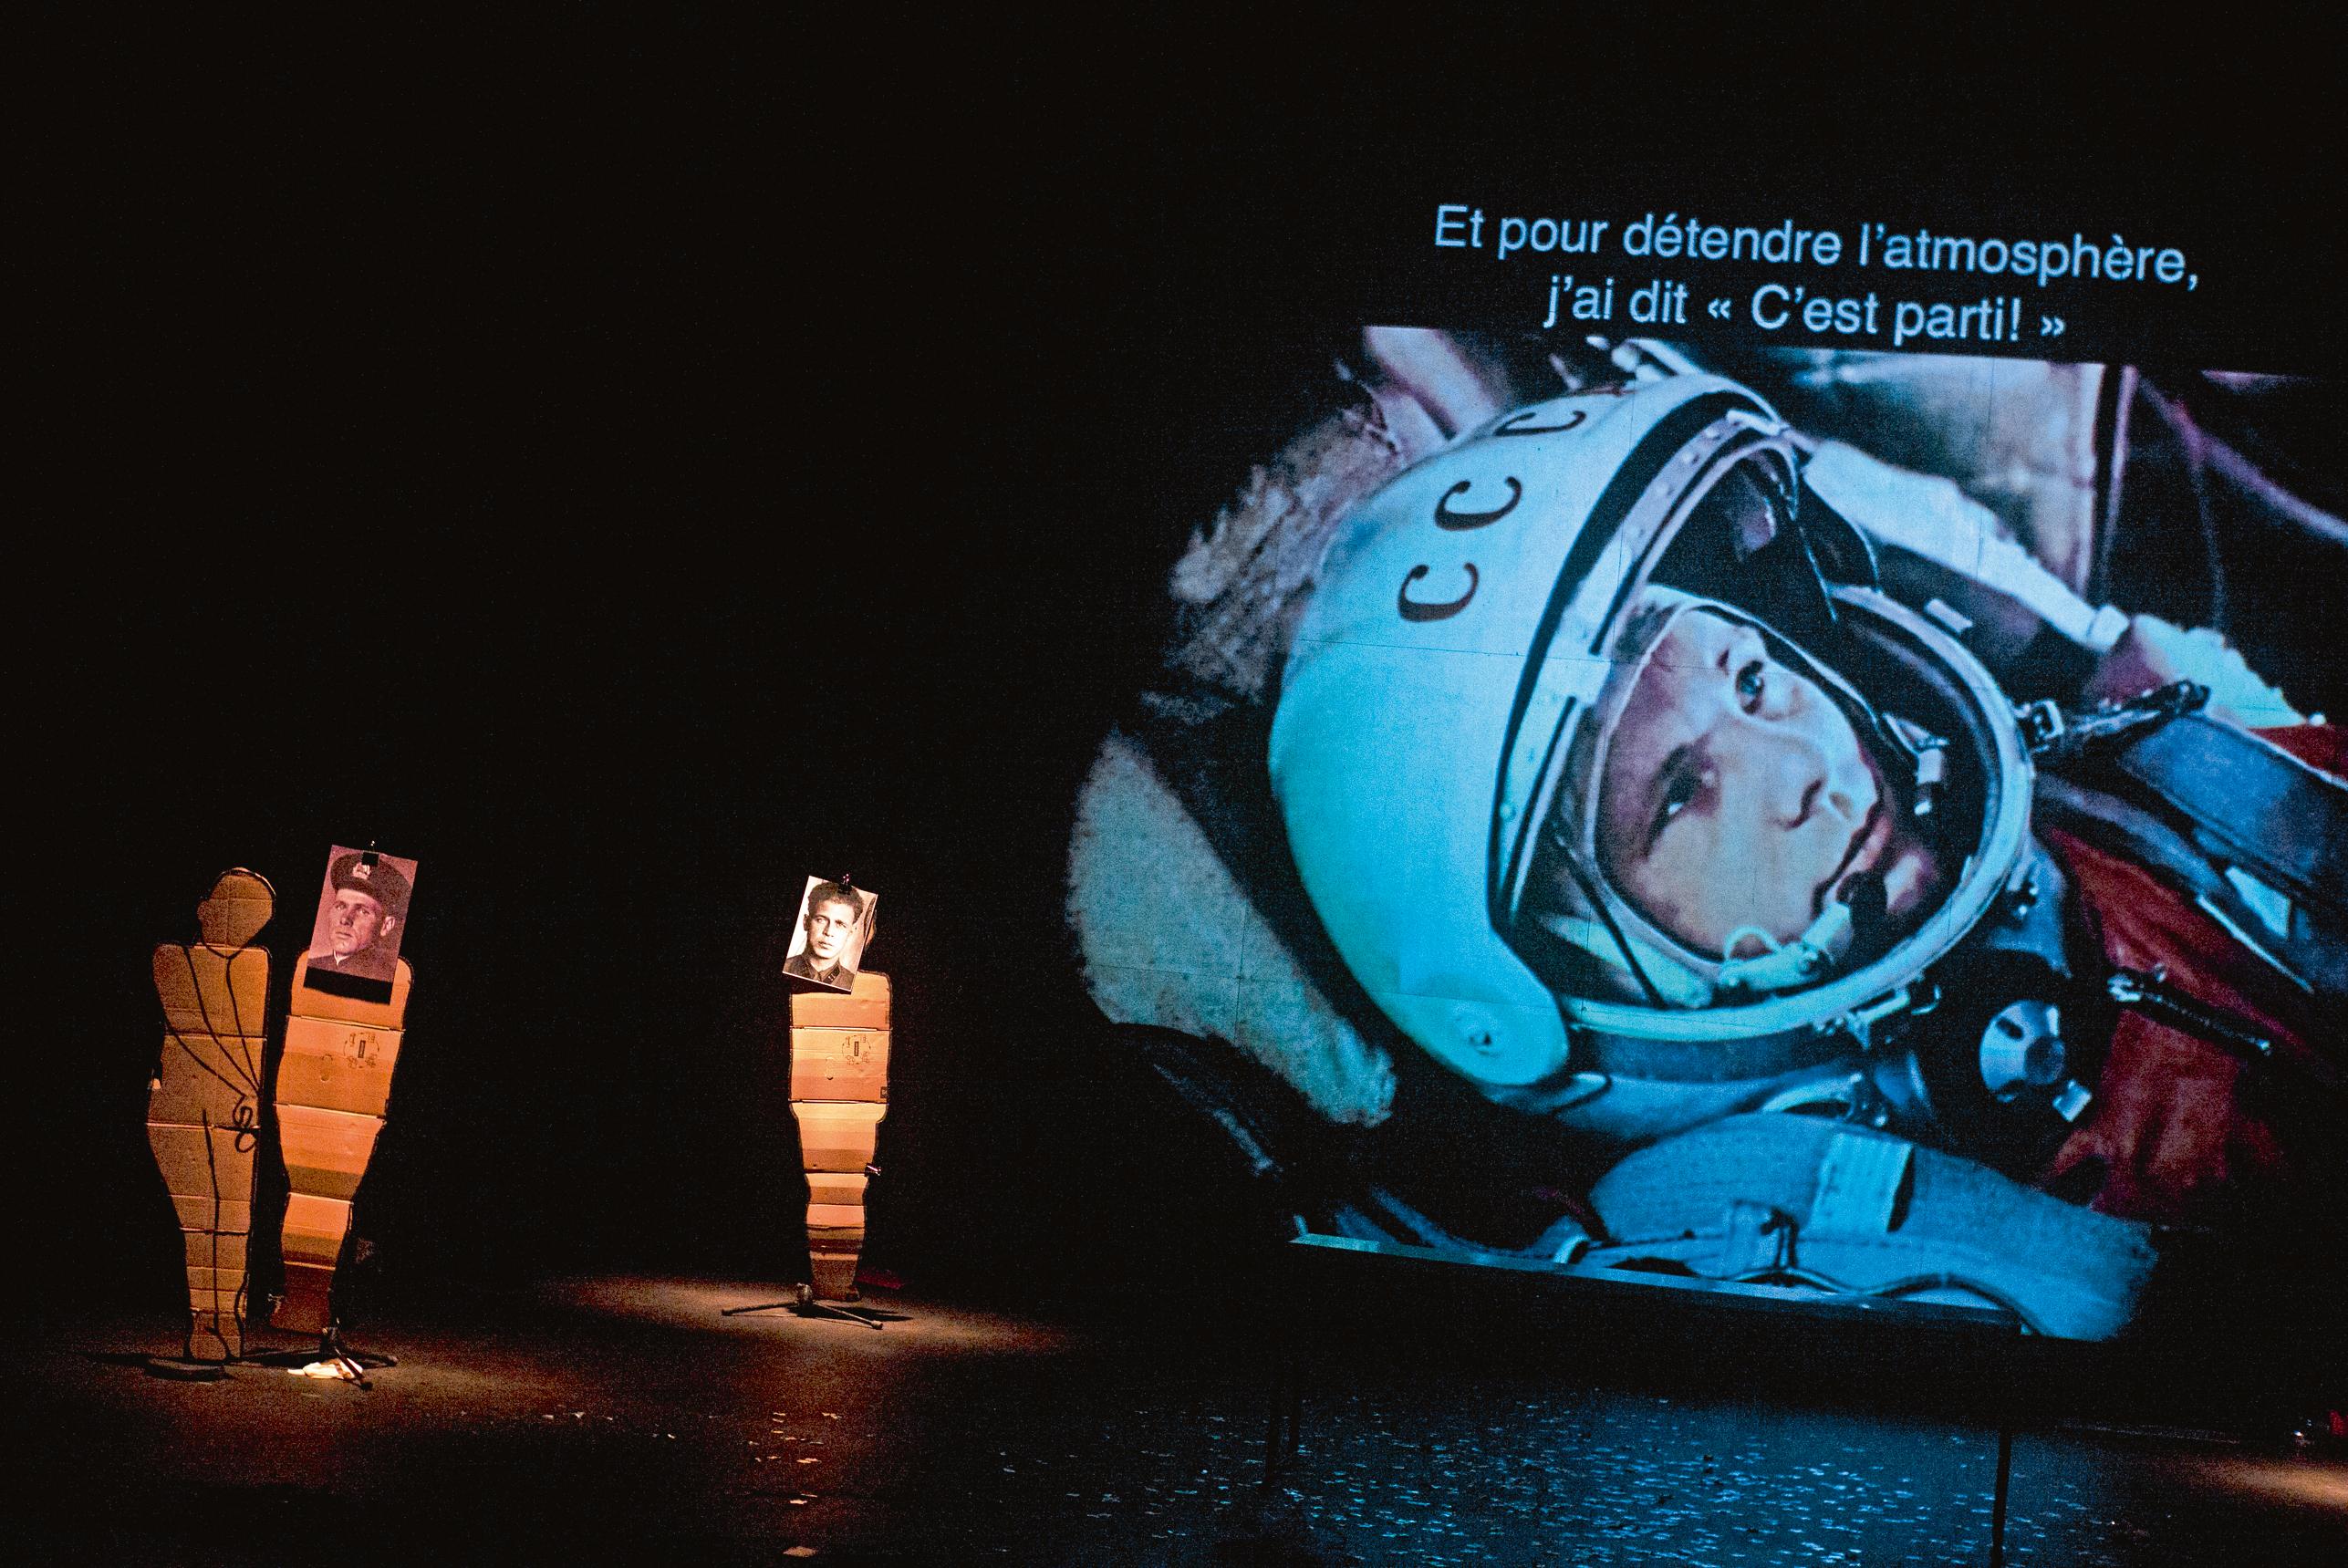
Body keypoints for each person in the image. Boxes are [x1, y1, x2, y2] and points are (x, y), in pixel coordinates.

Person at [1073, 341, 2347, 1337]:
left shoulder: (2180, 791)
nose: (1800, 767)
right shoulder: (1730, 1259)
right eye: (1679, 793)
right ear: (1532, 969)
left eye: (1750, 679)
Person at [305, 853, 409, 983]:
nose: (345, 919)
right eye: (340, 906)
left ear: (385, 926)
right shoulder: (311, 965)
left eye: (362, 911)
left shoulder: (385, 979)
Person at [784, 882, 865, 989]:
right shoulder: (784, 968)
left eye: (840, 924)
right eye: (821, 920)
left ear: (851, 932)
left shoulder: (856, 985)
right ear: (806, 922)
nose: (829, 932)